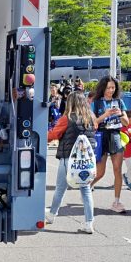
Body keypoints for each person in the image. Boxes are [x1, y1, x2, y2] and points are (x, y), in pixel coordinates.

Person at [46, 92, 97, 234]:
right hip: (85, 162)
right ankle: (89, 223)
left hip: (68, 159)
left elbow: (53, 135)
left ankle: (51, 216)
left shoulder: (67, 118)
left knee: (60, 189)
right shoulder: (91, 118)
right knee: (86, 191)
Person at [90, 75, 129, 213]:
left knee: (117, 169)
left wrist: (120, 114)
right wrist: (105, 115)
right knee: (100, 172)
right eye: (108, 88)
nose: (111, 90)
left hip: (115, 135)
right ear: (103, 88)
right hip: (101, 136)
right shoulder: (96, 103)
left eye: (113, 88)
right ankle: (88, 187)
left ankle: (116, 202)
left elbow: (126, 123)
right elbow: (93, 123)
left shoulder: (119, 102)